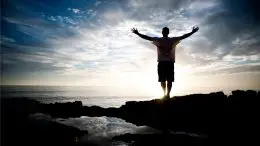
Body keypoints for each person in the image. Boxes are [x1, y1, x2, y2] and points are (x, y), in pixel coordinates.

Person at [132, 26, 199, 99]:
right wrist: (192, 32)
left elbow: (147, 37)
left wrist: (138, 33)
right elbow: (183, 36)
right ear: (167, 32)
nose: (165, 32)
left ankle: (165, 94)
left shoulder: (160, 40)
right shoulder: (171, 40)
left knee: (163, 80)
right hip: (168, 63)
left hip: (163, 63)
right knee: (167, 80)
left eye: (164, 31)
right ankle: (167, 94)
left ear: (162, 32)